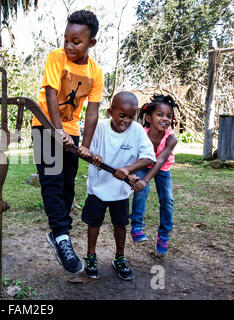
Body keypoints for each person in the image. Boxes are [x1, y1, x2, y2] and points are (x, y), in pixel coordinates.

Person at [31, 10, 104, 275]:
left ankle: (59, 232)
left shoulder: (95, 73)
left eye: (77, 41)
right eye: (67, 39)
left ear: (91, 43)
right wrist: (56, 129)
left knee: (67, 185)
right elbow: (51, 93)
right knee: (51, 180)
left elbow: (92, 111)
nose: (69, 46)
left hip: (71, 132)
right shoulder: (56, 57)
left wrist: (84, 144)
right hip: (45, 127)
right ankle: (62, 238)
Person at [78, 91, 156, 281]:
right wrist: (93, 157)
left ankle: (120, 257)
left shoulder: (137, 130)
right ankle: (91, 256)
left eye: (131, 116)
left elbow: (149, 158)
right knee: (93, 223)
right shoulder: (99, 127)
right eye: (122, 115)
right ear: (110, 111)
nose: (127, 121)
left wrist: (128, 169)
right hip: (97, 188)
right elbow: (86, 151)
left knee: (120, 225)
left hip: (121, 191)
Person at [129, 95, 179, 255]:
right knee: (140, 192)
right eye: (160, 114)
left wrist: (145, 179)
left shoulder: (171, 138)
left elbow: (160, 160)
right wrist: (135, 176)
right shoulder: (141, 134)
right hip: (144, 164)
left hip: (162, 167)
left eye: (169, 116)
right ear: (149, 118)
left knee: (167, 200)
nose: (165, 118)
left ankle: (163, 235)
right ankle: (136, 226)